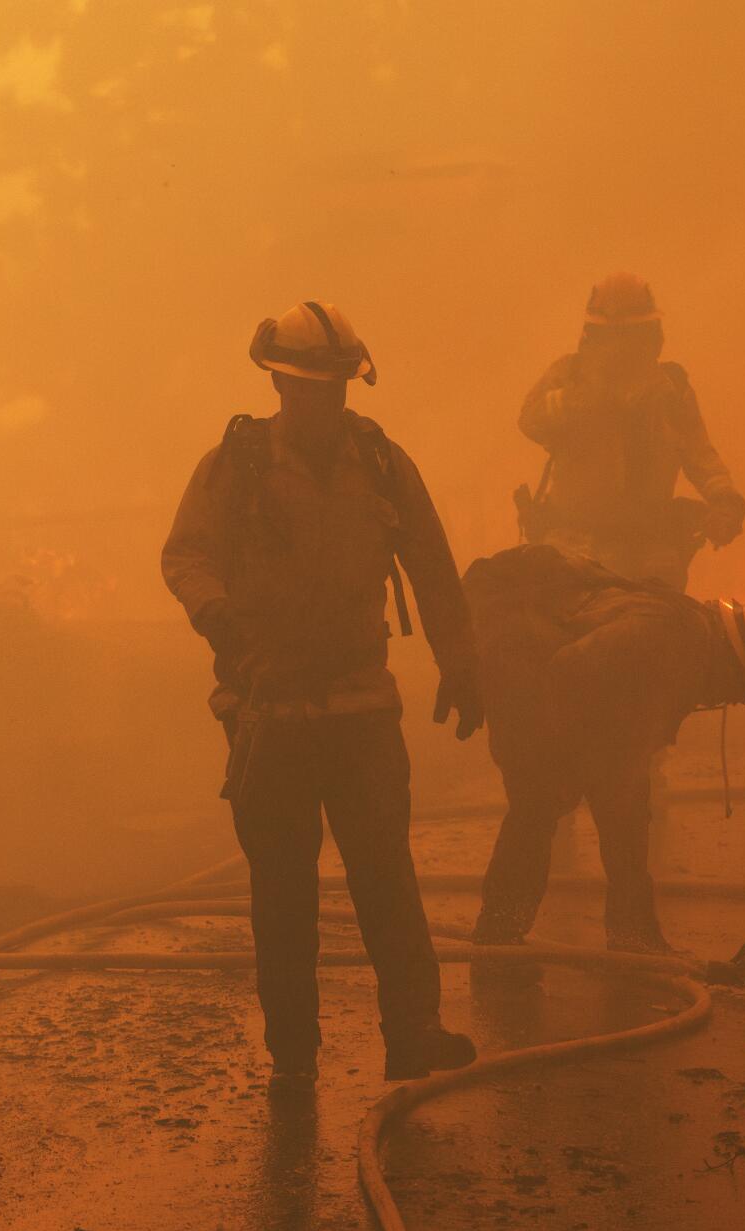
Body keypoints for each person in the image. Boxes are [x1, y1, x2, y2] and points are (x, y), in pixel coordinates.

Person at [162, 301, 484, 1088]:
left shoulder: (380, 463)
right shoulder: (233, 466)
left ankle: (414, 1034)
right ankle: (295, 1057)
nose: (323, 403)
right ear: (276, 383)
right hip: (267, 710)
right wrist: (219, 620)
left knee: (387, 878)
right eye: (308, 388)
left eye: (335, 388)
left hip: (361, 707)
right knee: (283, 890)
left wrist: (463, 663)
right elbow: (186, 555)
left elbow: (434, 567)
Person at [464, 543, 745, 957]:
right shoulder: (669, 637)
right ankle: (499, 936)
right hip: (528, 677)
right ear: (736, 660)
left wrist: (615, 761)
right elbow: (569, 671)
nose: (742, 698)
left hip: (562, 697)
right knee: (539, 805)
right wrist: (583, 759)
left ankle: (633, 937)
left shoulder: (688, 641)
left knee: (625, 811)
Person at [514, 273, 745, 591]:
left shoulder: (670, 390)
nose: (620, 347)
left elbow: (699, 454)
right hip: (572, 544)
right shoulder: (568, 376)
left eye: (630, 335)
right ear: (593, 335)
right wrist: (583, 399)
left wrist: (725, 500)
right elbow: (530, 420)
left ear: (649, 335)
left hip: (649, 549)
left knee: (657, 630)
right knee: (562, 627)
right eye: (611, 336)